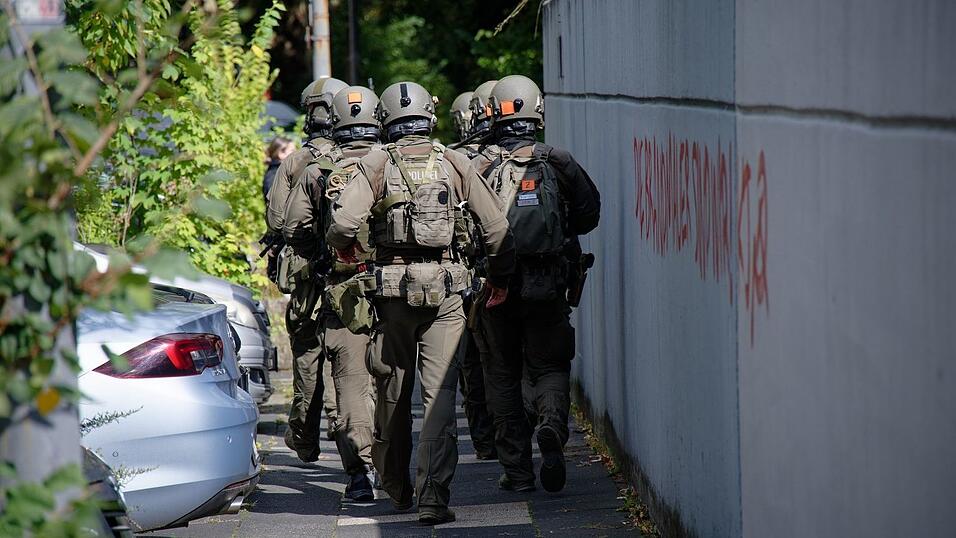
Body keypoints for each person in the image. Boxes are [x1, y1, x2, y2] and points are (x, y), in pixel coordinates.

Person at [326, 81, 516, 524]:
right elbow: (496, 230)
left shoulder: (377, 162)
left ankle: (395, 487)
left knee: (392, 391)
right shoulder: (455, 161)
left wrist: (349, 251)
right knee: (439, 397)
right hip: (447, 295)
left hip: (391, 297)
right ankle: (433, 498)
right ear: (430, 116)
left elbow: (341, 224)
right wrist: (501, 279)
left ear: (386, 121)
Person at [473, 75, 601, 494]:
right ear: (536, 111)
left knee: (502, 377)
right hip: (549, 284)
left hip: (496, 287)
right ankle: (551, 425)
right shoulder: (558, 161)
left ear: (492, 113)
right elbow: (588, 215)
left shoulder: (479, 166)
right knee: (550, 364)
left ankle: (518, 472)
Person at [282, 85, 381, 501]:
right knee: (397, 383)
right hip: (401, 288)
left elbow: (288, 227)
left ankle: (360, 473)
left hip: (342, 291)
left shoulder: (313, 169)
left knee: (350, 384)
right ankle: (404, 471)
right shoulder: (394, 161)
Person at [264, 76, 348, 463]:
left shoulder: (296, 162)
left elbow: (277, 221)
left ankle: (304, 437)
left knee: (308, 355)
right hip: (351, 275)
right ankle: (348, 428)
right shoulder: (365, 157)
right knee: (353, 357)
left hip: (306, 277)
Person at [449, 90, 498, 461]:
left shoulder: (456, 161)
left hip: (468, 280)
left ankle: (484, 440)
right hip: (506, 275)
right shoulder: (539, 158)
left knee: (472, 364)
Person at [263, 136, 295, 205]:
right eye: (292, 150)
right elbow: (276, 203)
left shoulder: (283, 172)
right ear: (281, 154)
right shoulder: (274, 175)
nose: (296, 153)